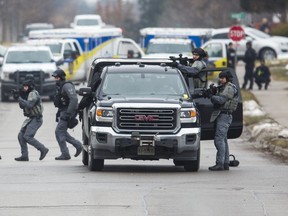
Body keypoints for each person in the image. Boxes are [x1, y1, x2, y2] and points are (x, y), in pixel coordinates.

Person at [208, 70, 238, 171]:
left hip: (224, 115)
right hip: (223, 115)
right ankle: (225, 163)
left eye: (223, 78)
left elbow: (221, 100)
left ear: (227, 78)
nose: (220, 80)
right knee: (223, 140)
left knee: (219, 140)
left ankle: (219, 163)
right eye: (220, 78)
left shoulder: (229, 88)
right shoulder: (225, 87)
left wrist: (212, 97)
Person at [15, 78, 49, 161]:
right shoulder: (27, 94)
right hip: (31, 119)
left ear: (30, 87)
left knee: (27, 136)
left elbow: (29, 105)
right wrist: (19, 96)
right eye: (23, 86)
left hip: (36, 119)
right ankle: (24, 155)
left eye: (26, 87)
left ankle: (43, 149)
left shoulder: (33, 94)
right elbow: (22, 106)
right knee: (21, 136)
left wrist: (19, 98)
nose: (24, 88)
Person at [52, 69, 82, 160]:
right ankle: (77, 145)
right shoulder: (60, 86)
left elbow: (74, 99)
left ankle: (65, 154)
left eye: (57, 77)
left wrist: (68, 113)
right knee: (62, 132)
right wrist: (59, 113)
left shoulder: (67, 86)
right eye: (55, 78)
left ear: (61, 77)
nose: (56, 79)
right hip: (63, 111)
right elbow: (61, 101)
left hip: (68, 111)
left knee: (59, 132)